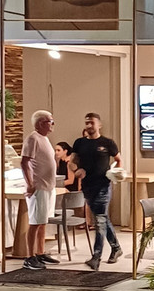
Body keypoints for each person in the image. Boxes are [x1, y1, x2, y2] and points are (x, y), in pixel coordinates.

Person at [71, 112, 123, 270]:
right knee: (103, 218)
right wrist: (76, 170)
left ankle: (96, 256)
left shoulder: (107, 143)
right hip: (88, 186)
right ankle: (116, 248)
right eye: (86, 123)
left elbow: (119, 159)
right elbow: (71, 162)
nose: (89, 126)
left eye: (92, 123)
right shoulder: (79, 143)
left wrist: (116, 173)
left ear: (99, 125)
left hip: (103, 186)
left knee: (99, 220)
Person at [20, 110, 59, 270]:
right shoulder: (33, 138)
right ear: (40, 123)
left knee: (43, 221)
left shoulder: (45, 139)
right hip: (38, 187)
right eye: (50, 121)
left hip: (48, 186)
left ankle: (40, 252)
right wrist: (30, 183)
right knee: (35, 222)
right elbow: (24, 162)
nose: (53, 124)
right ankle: (29, 257)